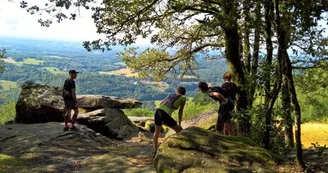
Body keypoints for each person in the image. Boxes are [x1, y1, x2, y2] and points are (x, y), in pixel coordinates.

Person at [153, 87, 187, 157]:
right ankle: (179, 148)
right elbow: (180, 112)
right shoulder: (183, 98)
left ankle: (155, 151)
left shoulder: (171, 95)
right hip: (164, 114)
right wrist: (180, 124)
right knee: (180, 131)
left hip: (158, 111)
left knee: (156, 133)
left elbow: (161, 103)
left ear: (177, 91)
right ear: (184, 93)